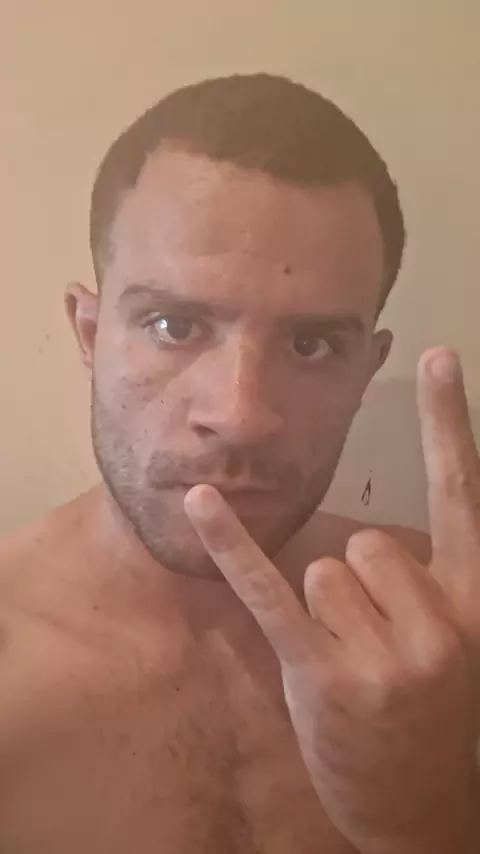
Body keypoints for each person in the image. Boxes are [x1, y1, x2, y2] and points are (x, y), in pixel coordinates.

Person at [0, 73, 478, 853]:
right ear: (89, 334)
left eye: (311, 344)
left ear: (368, 367)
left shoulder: (445, 635)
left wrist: (428, 822)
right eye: (173, 324)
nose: (242, 415)